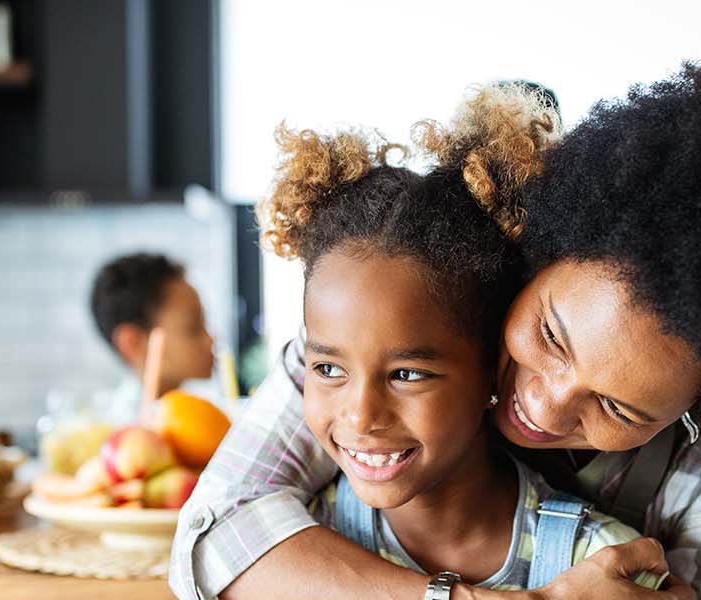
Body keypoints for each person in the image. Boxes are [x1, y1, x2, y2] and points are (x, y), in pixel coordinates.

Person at [172, 39, 701, 600]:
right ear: (544, 246)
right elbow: (212, 537)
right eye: (551, 337)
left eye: (618, 405)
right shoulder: (398, 336)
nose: (543, 402)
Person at [260, 105, 663, 590]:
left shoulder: (603, 570)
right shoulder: (285, 545)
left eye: (406, 374)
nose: (360, 415)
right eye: (327, 368)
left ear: (494, 369)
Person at [88, 253, 216, 416]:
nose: (211, 340)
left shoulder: (201, 413)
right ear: (133, 343)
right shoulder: (128, 432)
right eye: (193, 328)